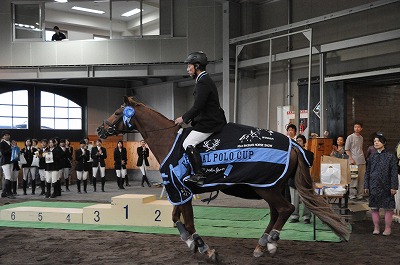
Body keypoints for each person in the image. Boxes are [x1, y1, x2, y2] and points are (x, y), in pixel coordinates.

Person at [174, 51, 227, 185]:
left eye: (189, 66)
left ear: (197, 66)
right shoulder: (203, 80)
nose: (187, 69)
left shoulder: (203, 82)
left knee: (188, 143)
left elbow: (198, 107)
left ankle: (199, 175)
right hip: (208, 119)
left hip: (210, 122)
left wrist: (183, 118)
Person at [364, 134, 398, 236]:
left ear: (383, 143)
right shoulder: (372, 157)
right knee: (374, 207)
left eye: (378, 141)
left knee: (388, 208)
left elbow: (393, 173)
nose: (376, 143)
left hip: (387, 186)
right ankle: (376, 227)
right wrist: (366, 185)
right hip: (374, 185)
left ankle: (387, 228)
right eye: (374, 141)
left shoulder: (390, 156)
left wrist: (394, 186)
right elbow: (367, 172)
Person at [289, 134, 312, 224]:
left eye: (300, 141)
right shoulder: (291, 154)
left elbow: (309, 164)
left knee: (306, 200)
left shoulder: (309, 154)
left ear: (304, 143)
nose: (298, 142)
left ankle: (307, 217)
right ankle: (294, 216)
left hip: (304, 181)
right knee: (294, 200)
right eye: (297, 141)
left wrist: (301, 152)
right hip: (293, 180)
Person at [345, 121, 366, 200]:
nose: (356, 128)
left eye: (358, 127)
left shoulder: (361, 138)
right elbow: (347, 149)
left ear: (361, 128)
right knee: (353, 178)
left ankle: (360, 195)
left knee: (361, 179)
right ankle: (352, 195)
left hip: (362, 160)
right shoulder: (350, 137)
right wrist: (351, 159)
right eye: (355, 127)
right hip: (353, 161)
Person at [0, 130, 15, 199]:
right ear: (3, 136)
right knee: (8, 177)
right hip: (5, 162)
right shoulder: (2, 143)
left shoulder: (11, 143)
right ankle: (9, 193)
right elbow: (3, 153)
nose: (7, 136)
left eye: (8, 135)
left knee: (9, 177)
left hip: (11, 161)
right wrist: (11, 149)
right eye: (6, 135)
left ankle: (4, 193)